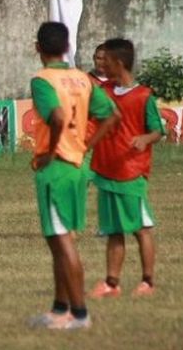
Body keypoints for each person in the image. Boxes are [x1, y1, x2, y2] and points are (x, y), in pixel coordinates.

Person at [27, 22, 119, 330]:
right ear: (67, 47)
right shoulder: (83, 79)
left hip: (57, 168)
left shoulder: (42, 80)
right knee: (58, 240)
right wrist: (85, 145)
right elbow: (111, 115)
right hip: (77, 166)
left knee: (63, 241)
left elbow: (56, 116)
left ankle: (79, 314)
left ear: (37, 47)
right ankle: (59, 309)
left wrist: (50, 152)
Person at [87, 38, 164, 299]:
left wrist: (144, 138)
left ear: (118, 63)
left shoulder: (143, 96)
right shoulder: (103, 91)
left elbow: (157, 129)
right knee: (113, 230)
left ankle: (148, 281)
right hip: (107, 171)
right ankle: (111, 282)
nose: (101, 64)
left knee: (141, 228)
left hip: (131, 171)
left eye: (105, 60)